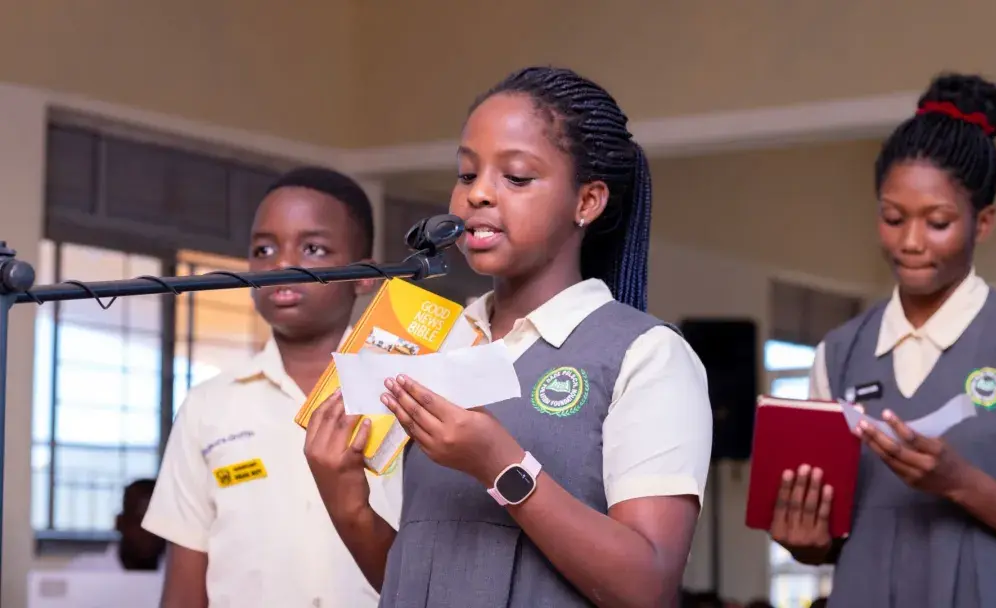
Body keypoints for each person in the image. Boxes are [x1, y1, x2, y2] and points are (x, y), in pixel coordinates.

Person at [303, 66, 713, 607]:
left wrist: (502, 466)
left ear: (587, 202)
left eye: (516, 177)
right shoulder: (433, 344)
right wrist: (348, 506)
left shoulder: (648, 355)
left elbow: (649, 588)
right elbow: (420, 579)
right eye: (467, 174)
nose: (478, 196)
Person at [769, 73, 996, 607]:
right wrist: (805, 543)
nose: (910, 242)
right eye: (893, 218)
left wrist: (961, 483)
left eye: (937, 222)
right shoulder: (838, 354)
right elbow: (831, 540)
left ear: (982, 223)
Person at [142, 167, 401, 608]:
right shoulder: (209, 406)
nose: (281, 265)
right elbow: (185, 583)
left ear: (366, 275)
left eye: (313, 248)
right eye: (264, 249)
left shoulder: (405, 391)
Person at [68, 478, 165, 571]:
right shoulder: (84, 570)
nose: (149, 533)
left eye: (157, 524)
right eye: (140, 522)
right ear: (120, 523)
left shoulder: (177, 573)